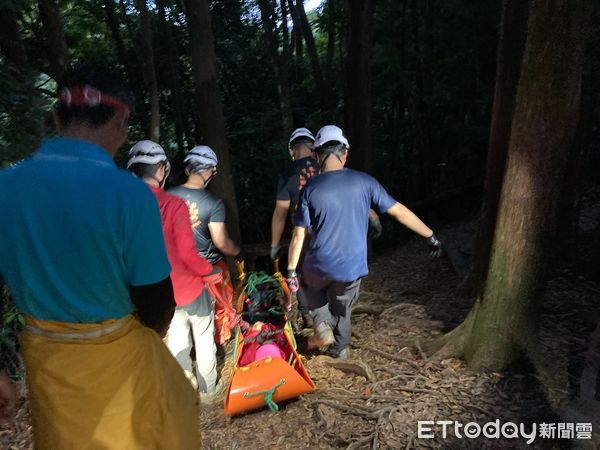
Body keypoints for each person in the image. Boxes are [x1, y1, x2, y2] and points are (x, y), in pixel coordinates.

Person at [0, 64, 200, 448]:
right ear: (123, 120)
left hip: (48, 363)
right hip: (119, 362)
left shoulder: (7, 187)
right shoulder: (129, 195)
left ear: (57, 116)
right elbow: (157, 302)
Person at [287, 125, 443, 359]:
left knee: (311, 289)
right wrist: (430, 235)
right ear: (345, 153)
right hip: (352, 266)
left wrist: (290, 270)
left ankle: (322, 326)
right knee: (343, 308)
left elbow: (299, 235)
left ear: (318, 156)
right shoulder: (365, 182)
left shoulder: (310, 188)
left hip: (318, 264)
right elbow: (398, 211)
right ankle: (341, 349)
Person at [127, 140, 223, 403]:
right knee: (203, 335)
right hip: (188, 286)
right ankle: (208, 391)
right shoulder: (172, 205)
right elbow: (187, 252)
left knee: (177, 338)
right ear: (161, 170)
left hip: (156, 294)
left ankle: (182, 390)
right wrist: (210, 271)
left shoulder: (125, 209)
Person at [168, 145, 241, 345]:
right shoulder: (213, 203)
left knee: (178, 317)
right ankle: (220, 340)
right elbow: (221, 242)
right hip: (207, 267)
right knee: (222, 303)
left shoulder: (168, 195)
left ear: (187, 169)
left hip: (175, 268)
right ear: (208, 171)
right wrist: (235, 250)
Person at [270, 128, 319, 326]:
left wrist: (274, 245)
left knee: (299, 271)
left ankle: (308, 316)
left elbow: (280, 213)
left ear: (292, 150)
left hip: (302, 231)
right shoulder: (325, 165)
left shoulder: (287, 174)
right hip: (330, 227)